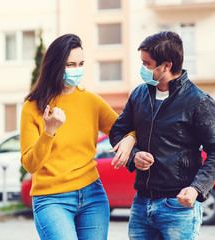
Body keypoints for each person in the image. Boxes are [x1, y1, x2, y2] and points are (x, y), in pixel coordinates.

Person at [109, 31, 215, 240]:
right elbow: (117, 131)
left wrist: (196, 189)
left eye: (147, 64)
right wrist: (134, 155)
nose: (142, 69)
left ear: (167, 65)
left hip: (178, 206)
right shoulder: (139, 94)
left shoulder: (199, 101)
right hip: (141, 202)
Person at [20, 33, 135, 240]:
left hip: (92, 195)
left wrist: (130, 138)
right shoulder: (33, 107)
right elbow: (30, 165)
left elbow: (126, 128)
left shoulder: (92, 102)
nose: (77, 70)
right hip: (51, 199)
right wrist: (49, 132)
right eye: (70, 65)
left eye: (81, 64)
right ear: (55, 66)